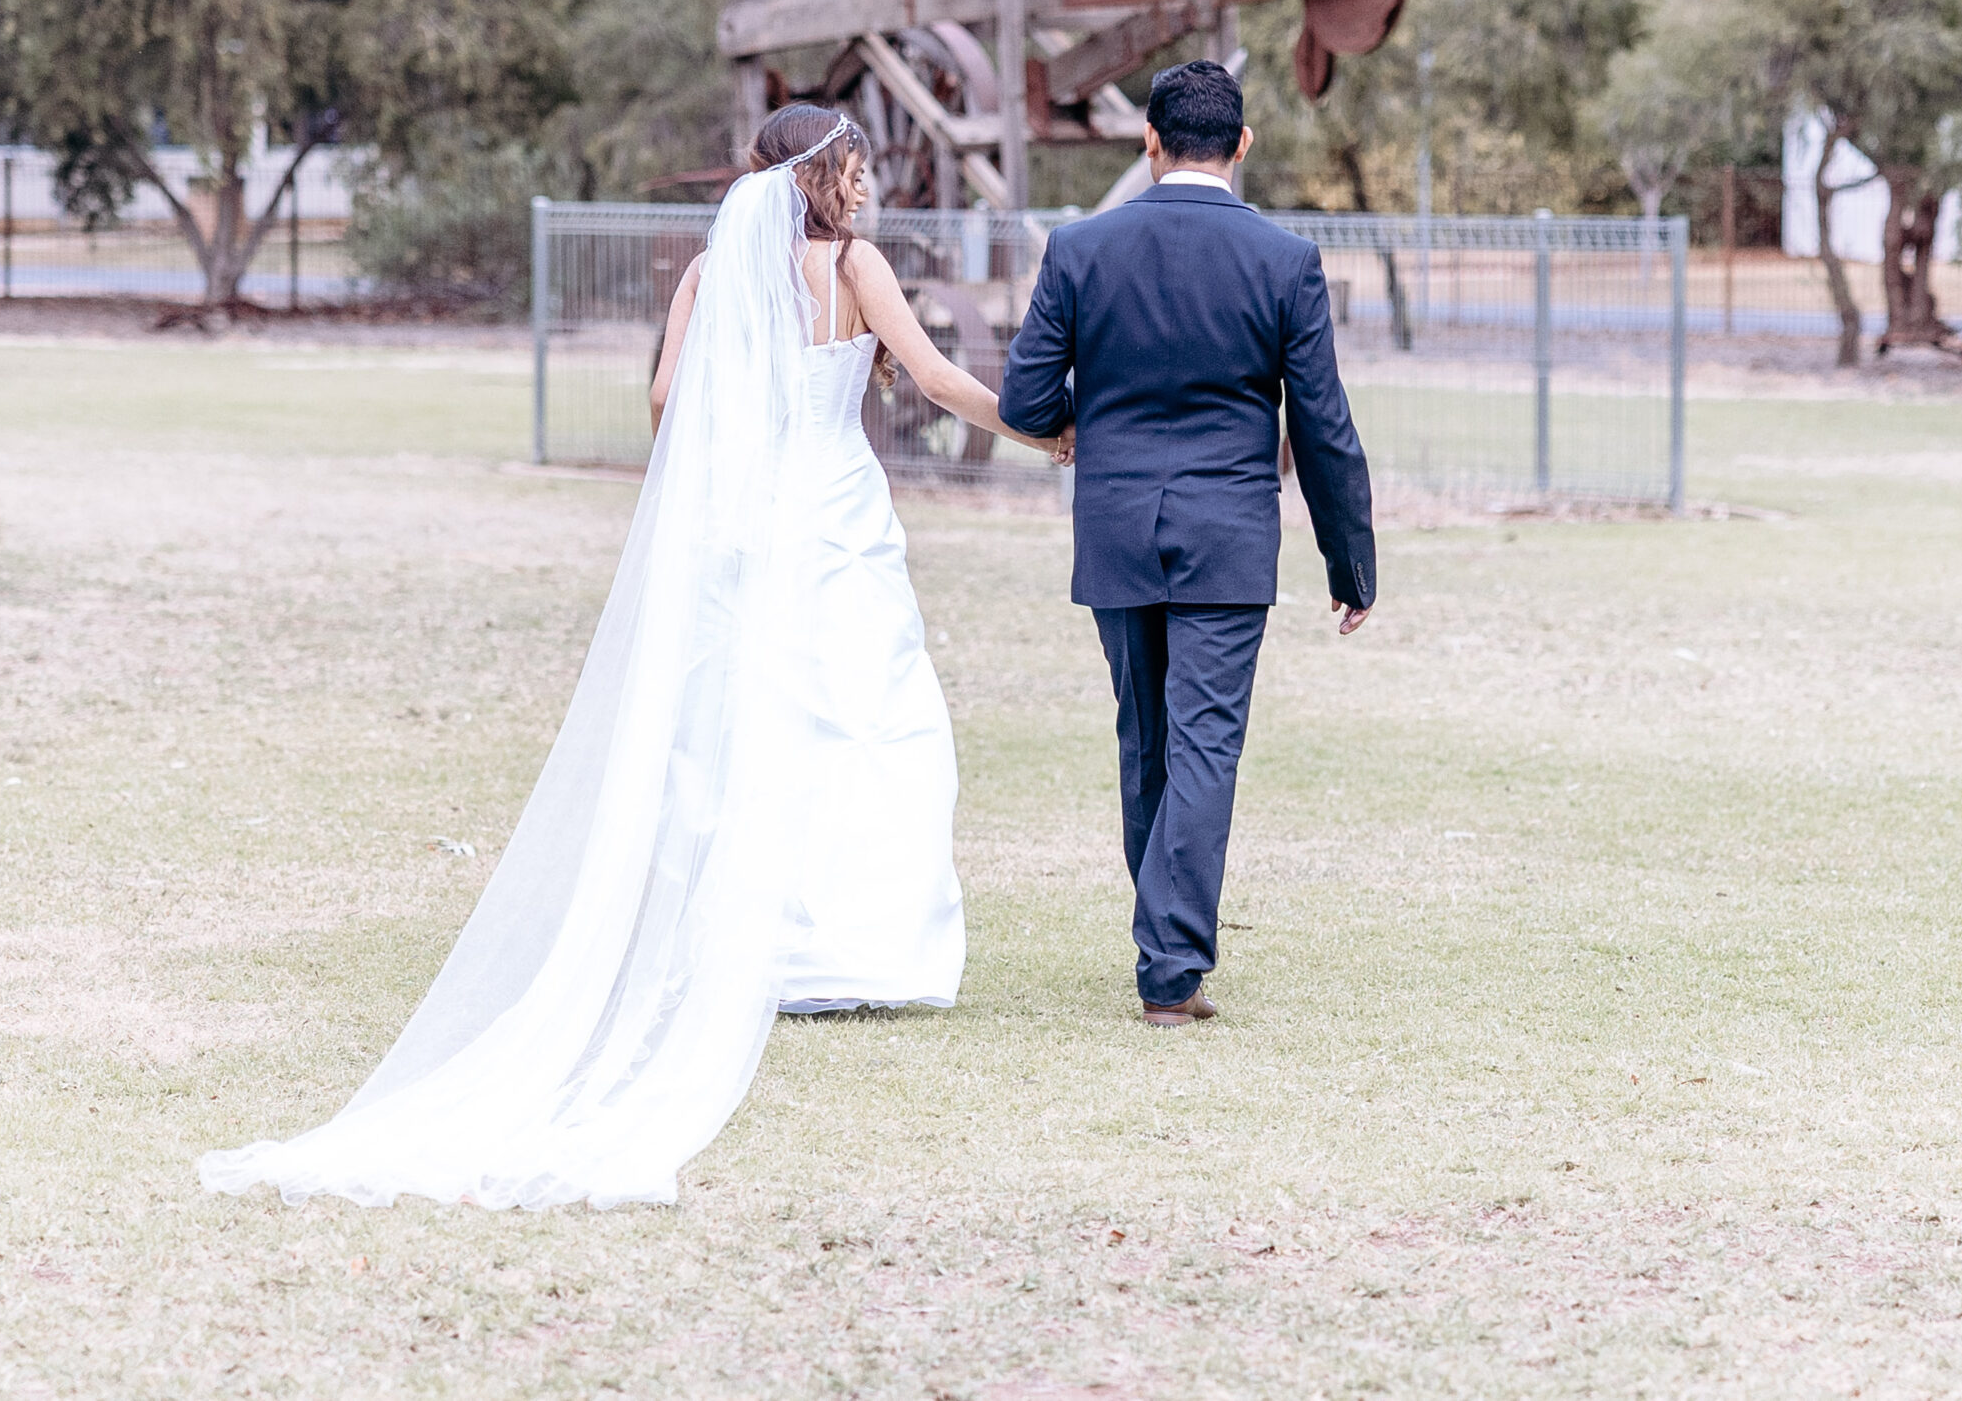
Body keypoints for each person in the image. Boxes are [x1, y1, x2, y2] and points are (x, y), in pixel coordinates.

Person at [200, 105, 1064, 1210]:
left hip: (745, 522)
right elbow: (935, 378)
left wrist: (714, 476)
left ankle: (752, 945)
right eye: (853, 169)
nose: (864, 186)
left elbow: (665, 398)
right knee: (865, 720)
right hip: (836, 519)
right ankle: (852, 951)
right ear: (817, 178)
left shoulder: (712, 272)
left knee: (737, 725)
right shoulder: (853, 266)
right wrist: (1043, 431)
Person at [1000, 60, 1376, 1028]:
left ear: (1150, 141)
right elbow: (1323, 426)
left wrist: (1091, 419)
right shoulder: (1285, 259)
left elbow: (1025, 401)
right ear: (1242, 144)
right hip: (1229, 535)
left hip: (1118, 526)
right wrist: (1350, 564)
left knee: (1146, 740)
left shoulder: (1079, 248)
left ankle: (1166, 948)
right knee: (1204, 742)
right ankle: (1169, 968)